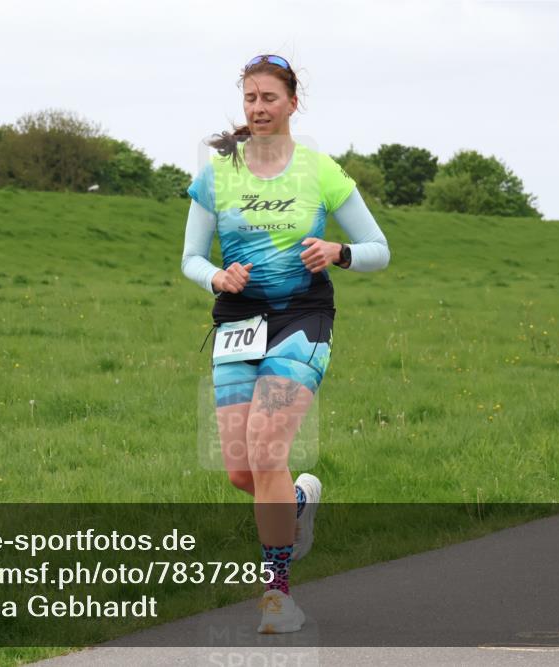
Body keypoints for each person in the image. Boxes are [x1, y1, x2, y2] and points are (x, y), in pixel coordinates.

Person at [181, 54, 390, 633]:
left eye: (269, 98)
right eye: (250, 98)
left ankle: (277, 596)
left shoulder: (321, 171)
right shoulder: (217, 173)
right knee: (243, 473)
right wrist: (216, 277)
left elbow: (379, 248)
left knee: (267, 449)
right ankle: (298, 502)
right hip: (238, 323)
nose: (258, 108)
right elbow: (191, 258)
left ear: (293, 103)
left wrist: (338, 253)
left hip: (302, 318)